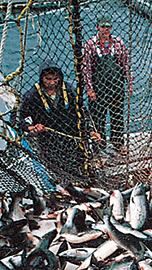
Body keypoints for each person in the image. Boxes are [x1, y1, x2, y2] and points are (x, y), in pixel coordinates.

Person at [16, 60, 99, 180]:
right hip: (49, 142)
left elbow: (83, 113)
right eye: (47, 79)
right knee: (58, 174)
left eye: (55, 79)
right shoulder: (32, 95)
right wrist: (31, 127)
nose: (52, 82)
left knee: (82, 171)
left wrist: (91, 131)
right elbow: (16, 117)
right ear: (41, 78)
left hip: (73, 140)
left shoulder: (69, 90)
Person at [83, 14, 132, 157]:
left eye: (108, 26)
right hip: (98, 89)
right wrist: (89, 90)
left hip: (116, 87)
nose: (106, 29)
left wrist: (129, 83)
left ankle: (118, 145)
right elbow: (86, 69)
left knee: (117, 117)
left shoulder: (118, 43)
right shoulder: (90, 45)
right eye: (103, 26)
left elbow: (125, 65)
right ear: (97, 27)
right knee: (98, 118)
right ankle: (99, 147)